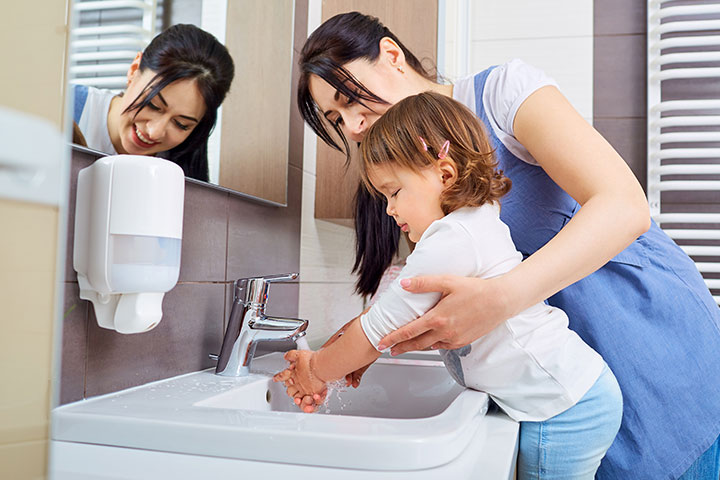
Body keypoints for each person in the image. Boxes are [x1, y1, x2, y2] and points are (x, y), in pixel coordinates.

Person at [295, 11, 720, 480]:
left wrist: (498, 300)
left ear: (392, 56)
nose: (353, 126)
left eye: (349, 98)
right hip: (561, 374)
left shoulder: (499, 94)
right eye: (336, 118)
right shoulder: (409, 174)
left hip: (645, 330)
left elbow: (625, 207)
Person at [275, 91, 623, 479]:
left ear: (444, 174)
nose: (388, 209)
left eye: (394, 192)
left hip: (564, 406)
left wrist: (316, 369)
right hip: (570, 393)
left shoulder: (453, 236)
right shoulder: (472, 221)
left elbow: (377, 329)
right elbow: (389, 321)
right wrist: (359, 353)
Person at [72, 23, 234, 182]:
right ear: (134, 70)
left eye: (181, 124)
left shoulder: (181, 174)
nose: (155, 132)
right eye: (153, 105)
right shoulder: (64, 107)